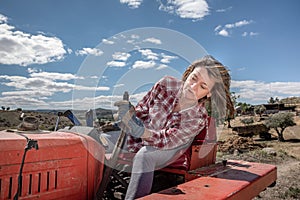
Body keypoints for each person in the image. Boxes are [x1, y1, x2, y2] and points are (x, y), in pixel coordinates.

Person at [111, 55, 234, 199]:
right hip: (140, 136)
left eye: (203, 86)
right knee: (96, 139)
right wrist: (129, 114)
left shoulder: (198, 118)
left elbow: (166, 140)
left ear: (209, 93)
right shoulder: (165, 84)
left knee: (145, 155)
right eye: (194, 78)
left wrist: (141, 131)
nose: (193, 87)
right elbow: (142, 110)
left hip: (169, 148)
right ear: (188, 74)